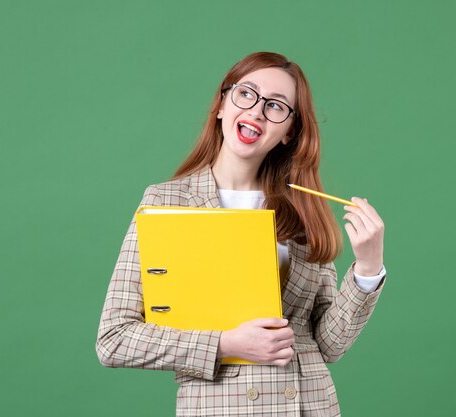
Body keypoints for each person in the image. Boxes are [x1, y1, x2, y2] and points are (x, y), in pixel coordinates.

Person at [96, 51, 387, 416]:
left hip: (307, 405)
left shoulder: (302, 209)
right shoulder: (166, 201)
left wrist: (367, 268)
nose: (256, 111)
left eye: (276, 106)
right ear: (221, 104)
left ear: (289, 132)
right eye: (246, 93)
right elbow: (114, 339)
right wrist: (226, 343)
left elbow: (328, 345)